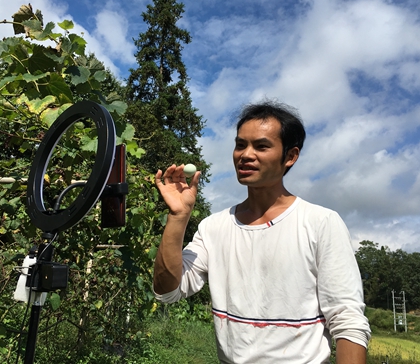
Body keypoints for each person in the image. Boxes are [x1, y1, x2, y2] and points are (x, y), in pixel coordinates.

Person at [153, 100, 370, 363]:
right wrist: (178, 217)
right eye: (240, 145)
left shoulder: (320, 222)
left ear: (290, 156)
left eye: (262, 146)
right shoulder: (214, 227)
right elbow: (167, 291)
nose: (245, 154)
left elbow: (348, 321)